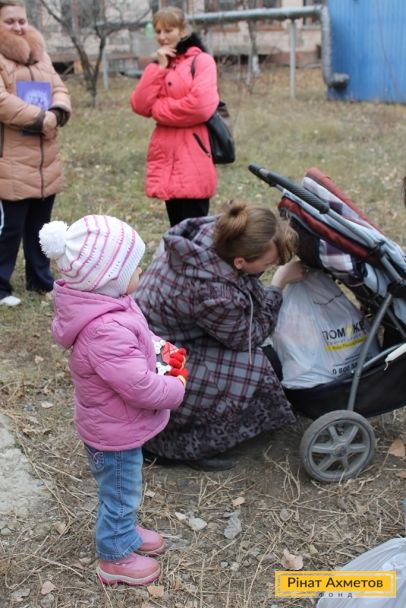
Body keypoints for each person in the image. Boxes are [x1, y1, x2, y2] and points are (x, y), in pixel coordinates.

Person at [39, 215, 187, 586]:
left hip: (114, 423)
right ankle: (115, 556)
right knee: (120, 493)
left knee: (123, 488)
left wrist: (159, 350)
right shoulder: (104, 329)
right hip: (113, 434)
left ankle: (125, 532)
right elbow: (138, 385)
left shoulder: (111, 304)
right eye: (134, 266)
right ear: (110, 278)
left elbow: (137, 341)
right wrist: (175, 387)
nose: (141, 270)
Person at [135, 201, 307, 471]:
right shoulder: (212, 291)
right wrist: (277, 284)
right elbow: (248, 337)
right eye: (268, 263)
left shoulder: (218, 234)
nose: (273, 265)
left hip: (158, 333)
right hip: (155, 357)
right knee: (251, 367)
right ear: (240, 262)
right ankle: (177, 445)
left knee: (264, 361)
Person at [0, 0, 71, 307]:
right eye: (10, 21)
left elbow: (59, 88)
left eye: (22, 20)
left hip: (45, 157)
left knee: (40, 225)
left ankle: (39, 278)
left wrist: (57, 111)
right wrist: (41, 118)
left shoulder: (41, 54)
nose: (18, 26)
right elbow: (2, 102)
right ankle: (0, 286)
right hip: (10, 158)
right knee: (9, 228)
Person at [131, 6, 218, 227]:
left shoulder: (202, 61)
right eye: (158, 31)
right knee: (175, 232)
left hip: (193, 155)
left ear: (182, 31)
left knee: (195, 233)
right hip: (167, 157)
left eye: (168, 30)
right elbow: (140, 105)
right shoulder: (161, 64)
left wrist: (158, 110)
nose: (162, 37)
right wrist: (159, 69)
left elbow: (200, 107)